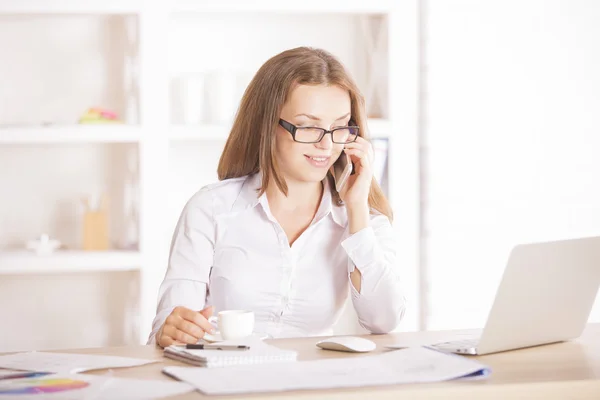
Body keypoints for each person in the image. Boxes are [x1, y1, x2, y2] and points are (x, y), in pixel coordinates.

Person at [149, 47, 406, 347]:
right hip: (227, 382)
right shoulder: (210, 209)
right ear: (268, 124)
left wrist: (358, 211)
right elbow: (167, 329)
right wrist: (173, 330)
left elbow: (384, 320)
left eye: (339, 127)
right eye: (309, 126)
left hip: (312, 385)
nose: (326, 145)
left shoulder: (360, 216)